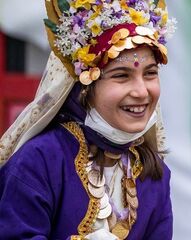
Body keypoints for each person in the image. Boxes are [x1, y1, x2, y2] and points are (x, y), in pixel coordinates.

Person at [0, 0, 175, 239]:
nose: (141, 91)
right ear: (85, 87)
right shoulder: (39, 162)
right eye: (121, 76)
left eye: (150, 73)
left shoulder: (154, 174)